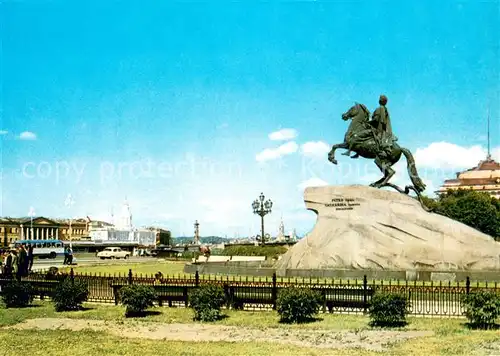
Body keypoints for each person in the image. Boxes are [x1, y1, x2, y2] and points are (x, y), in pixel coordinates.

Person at [369, 95, 397, 159]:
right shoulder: (385, 109)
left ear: (380, 101)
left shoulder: (380, 108)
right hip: (384, 129)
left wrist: (368, 122)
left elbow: (376, 119)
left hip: (380, 129)